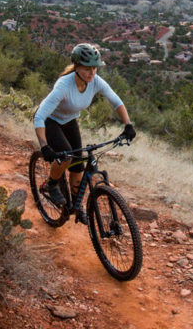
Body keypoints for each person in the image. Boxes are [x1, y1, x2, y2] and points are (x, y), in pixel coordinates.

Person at [34, 43, 136, 223]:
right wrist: (44, 145)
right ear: (76, 66)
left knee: (79, 164)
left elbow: (116, 101)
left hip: (70, 121)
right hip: (51, 122)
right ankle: (51, 184)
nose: (92, 73)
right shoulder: (64, 85)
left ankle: (76, 205)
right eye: (87, 68)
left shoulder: (95, 81)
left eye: (95, 68)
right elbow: (40, 116)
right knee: (66, 157)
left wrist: (128, 124)